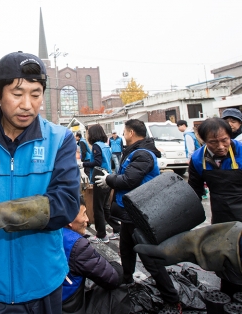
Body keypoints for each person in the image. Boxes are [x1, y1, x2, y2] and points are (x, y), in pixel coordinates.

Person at [0, 51, 80, 314]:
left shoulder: (60, 139)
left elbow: (66, 203)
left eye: (36, 94)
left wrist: (2, 215)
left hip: (44, 278)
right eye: (17, 94)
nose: (27, 104)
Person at [94, 119, 181, 313]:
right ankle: (127, 281)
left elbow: (130, 180)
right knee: (126, 249)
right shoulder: (135, 151)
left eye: (125, 131)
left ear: (131, 132)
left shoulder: (143, 154)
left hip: (140, 213)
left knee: (149, 256)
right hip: (129, 213)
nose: (124, 134)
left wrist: (109, 179)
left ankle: (171, 299)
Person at [187, 117, 242, 295]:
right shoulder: (197, 159)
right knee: (227, 259)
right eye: (213, 142)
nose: (220, 146)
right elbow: (194, 191)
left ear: (230, 136)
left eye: (224, 140)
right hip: (221, 217)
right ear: (203, 141)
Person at [62, 194, 123, 314]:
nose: (87, 220)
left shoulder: (46, 234)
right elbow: (112, 278)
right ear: (69, 220)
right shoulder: (76, 245)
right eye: (84, 213)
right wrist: (116, 266)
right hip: (66, 305)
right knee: (118, 292)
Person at [81, 124, 116, 244]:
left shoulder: (96, 146)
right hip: (108, 177)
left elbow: (97, 162)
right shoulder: (105, 145)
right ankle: (117, 228)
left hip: (100, 179)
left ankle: (101, 235)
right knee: (106, 207)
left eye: (88, 133)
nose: (87, 135)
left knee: (98, 208)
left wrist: (83, 164)